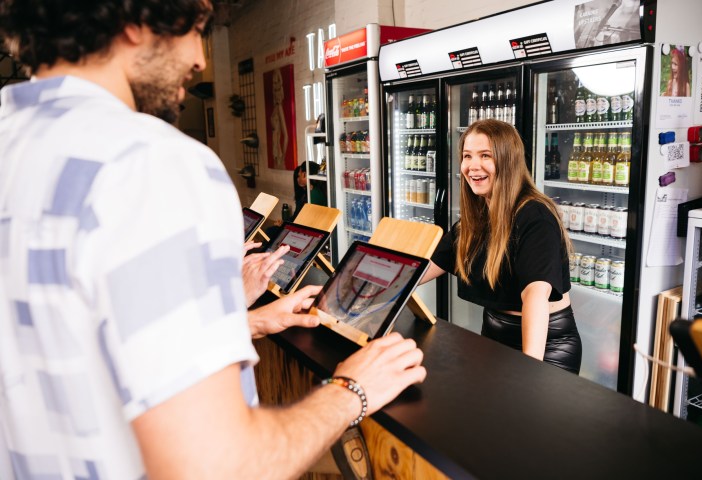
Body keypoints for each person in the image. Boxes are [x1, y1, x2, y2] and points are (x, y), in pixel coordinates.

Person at [0, 1, 426, 479]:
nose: (200, 59)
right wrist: (354, 388)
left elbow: (77, 348)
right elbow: (222, 466)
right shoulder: (151, 162)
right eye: (195, 28)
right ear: (135, 20)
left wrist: (250, 323)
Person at [422, 119, 582, 374]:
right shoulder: (474, 220)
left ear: (508, 161)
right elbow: (425, 266)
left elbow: (535, 297)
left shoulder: (535, 216)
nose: (473, 166)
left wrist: (530, 371)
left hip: (547, 345)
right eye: (467, 156)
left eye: (485, 155)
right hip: (494, 333)